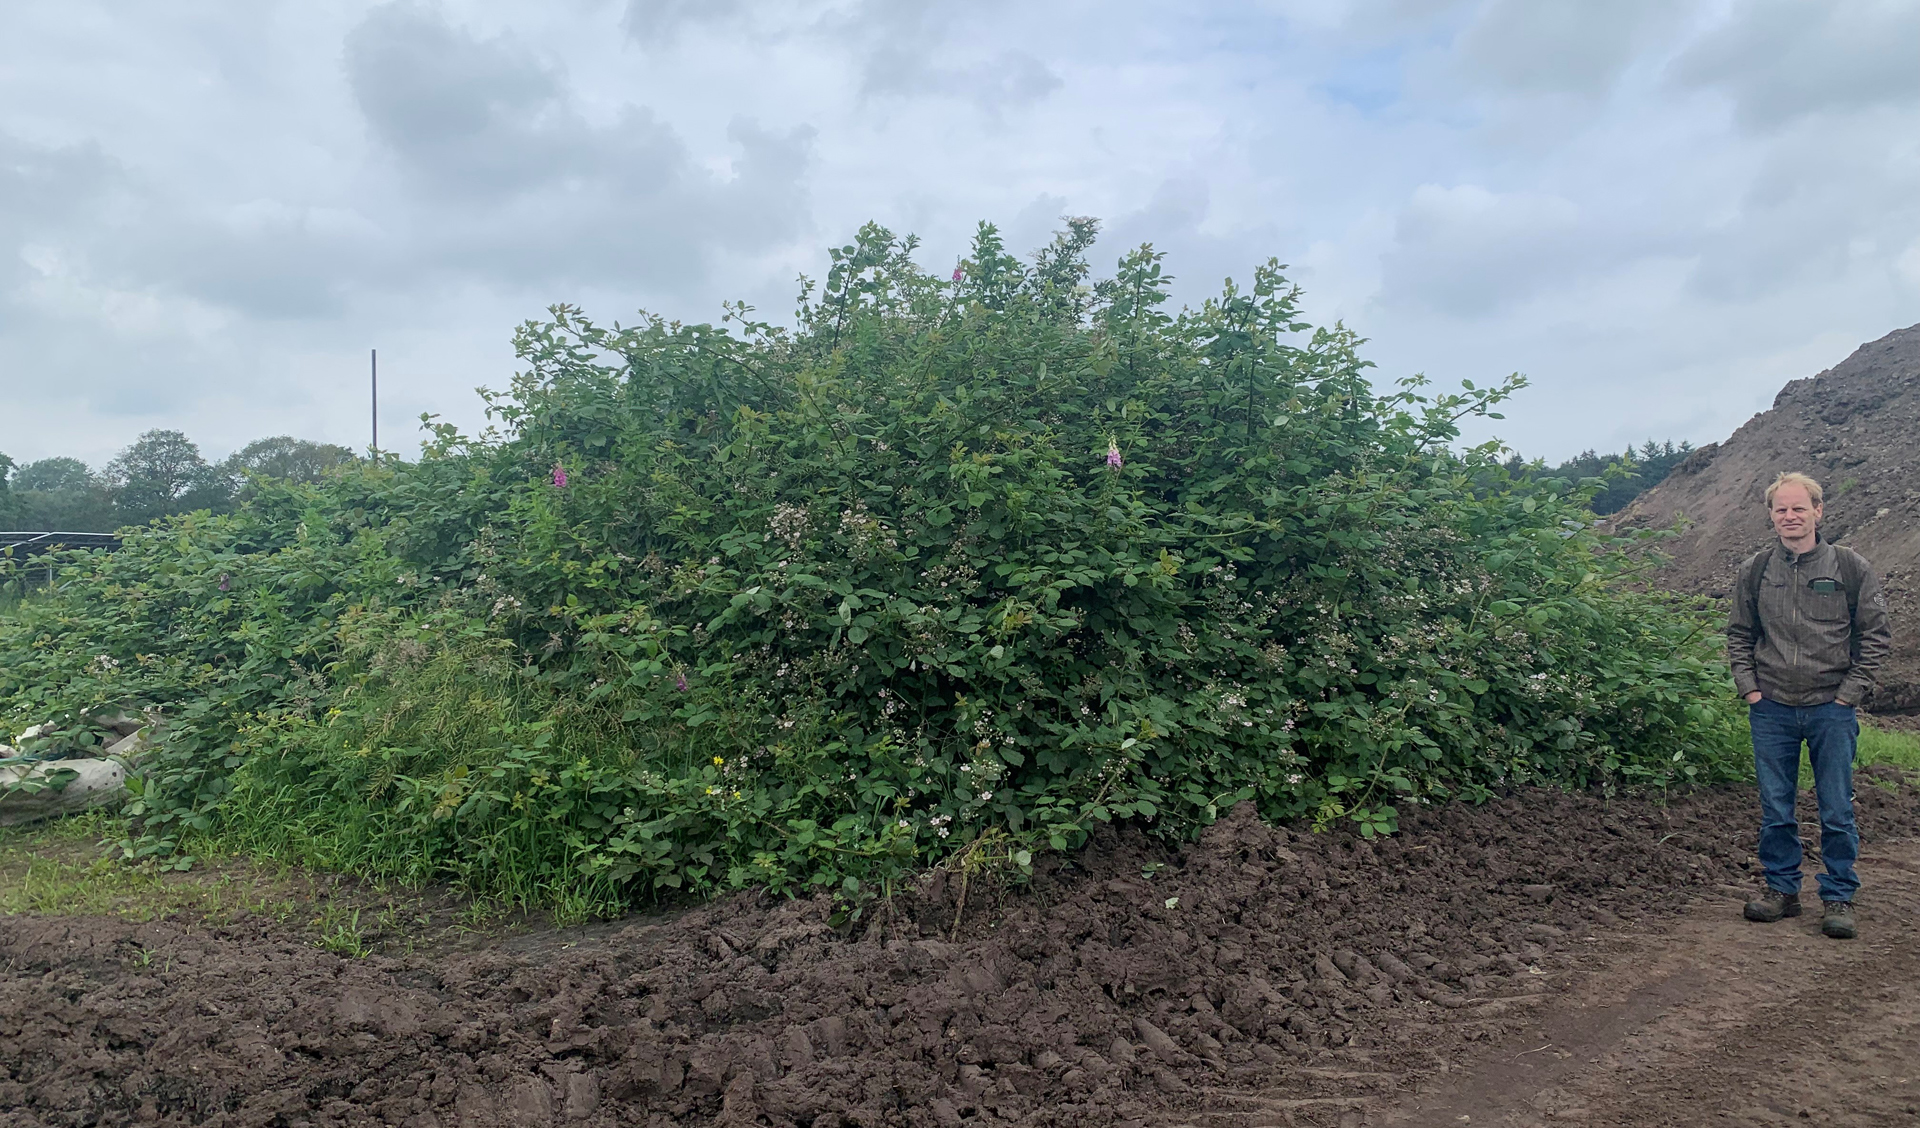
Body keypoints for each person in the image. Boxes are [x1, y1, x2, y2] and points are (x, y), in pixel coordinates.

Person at [1728, 471, 1892, 940]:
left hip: (1831, 709)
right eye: (1781, 509)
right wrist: (1750, 690)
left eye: (1799, 508)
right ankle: (1782, 891)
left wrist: (1848, 695)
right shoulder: (1756, 570)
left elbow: (1875, 637)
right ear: (1771, 515)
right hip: (1772, 707)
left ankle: (1838, 895)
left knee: (1836, 807)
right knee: (1775, 807)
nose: (1790, 516)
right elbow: (1740, 634)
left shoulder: (1850, 567)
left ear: (1819, 511)